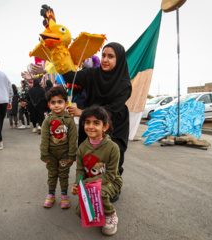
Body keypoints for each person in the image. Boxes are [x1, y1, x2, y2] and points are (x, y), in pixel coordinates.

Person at [61, 43, 131, 201]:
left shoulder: (124, 84)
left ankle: (113, 186)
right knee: (88, 156)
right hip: (91, 124)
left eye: (110, 56)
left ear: (119, 60)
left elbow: (113, 108)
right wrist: (58, 52)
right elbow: (71, 76)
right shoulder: (92, 74)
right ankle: (89, 186)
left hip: (114, 124)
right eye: (103, 55)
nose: (105, 59)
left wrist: (84, 113)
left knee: (114, 156)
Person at [71, 106, 122, 236]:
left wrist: (86, 184)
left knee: (100, 193)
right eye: (87, 122)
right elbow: (80, 169)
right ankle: (98, 207)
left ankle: (110, 214)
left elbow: (110, 175)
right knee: (80, 212)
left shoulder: (113, 147)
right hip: (91, 182)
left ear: (105, 127)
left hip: (112, 181)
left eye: (96, 123)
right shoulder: (82, 147)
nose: (90, 126)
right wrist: (78, 184)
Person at [40, 86, 77, 208]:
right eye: (53, 102)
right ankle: (51, 194)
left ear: (66, 103)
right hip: (51, 154)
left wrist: (72, 154)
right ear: (49, 104)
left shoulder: (69, 119)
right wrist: (44, 154)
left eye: (60, 102)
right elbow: (44, 138)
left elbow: (73, 138)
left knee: (63, 174)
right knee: (52, 174)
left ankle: (64, 195)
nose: (56, 105)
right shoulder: (47, 120)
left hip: (65, 154)